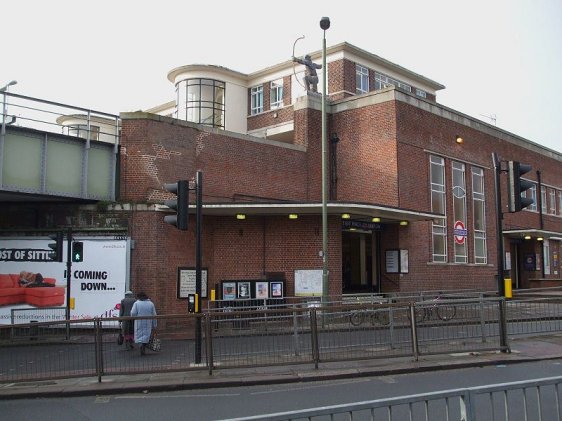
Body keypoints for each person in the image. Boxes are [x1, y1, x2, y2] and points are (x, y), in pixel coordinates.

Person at [130, 291, 157, 356]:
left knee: (139, 335)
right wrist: (155, 324)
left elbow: (133, 313)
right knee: (146, 335)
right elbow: (154, 314)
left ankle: (141, 345)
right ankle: (144, 346)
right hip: (148, 322)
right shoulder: (151, 303)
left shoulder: (136, 303)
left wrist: (133, 317)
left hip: (139, 322)